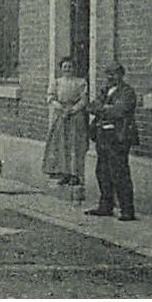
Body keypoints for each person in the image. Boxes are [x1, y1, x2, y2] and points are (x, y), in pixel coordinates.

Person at [85, 62, 137, 221]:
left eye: (113, 74)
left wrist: (103, 108)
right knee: (102, 171)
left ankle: (127, 209)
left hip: (119, 137)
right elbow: (91, 106)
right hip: (103, 136)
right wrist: (105, 108)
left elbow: (119, 110)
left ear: (121, 75)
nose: (110, 77)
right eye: (108, 74)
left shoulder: (127, 92)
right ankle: (105, 206)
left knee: (120, 173)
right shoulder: (105, 90)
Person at [43, 57, 89, 200]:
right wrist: (61, 108)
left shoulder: (80, 82)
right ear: (61, 69)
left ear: (74, 69)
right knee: (62, 145)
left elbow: (84, 99)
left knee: (76, 145)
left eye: (70, 67)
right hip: (61, 115)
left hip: (75, 116)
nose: (67, 69)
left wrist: (73, 109)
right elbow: (50, 98)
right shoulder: (56, 82)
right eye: (65, 67)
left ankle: (75, 174)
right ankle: (64, 172)